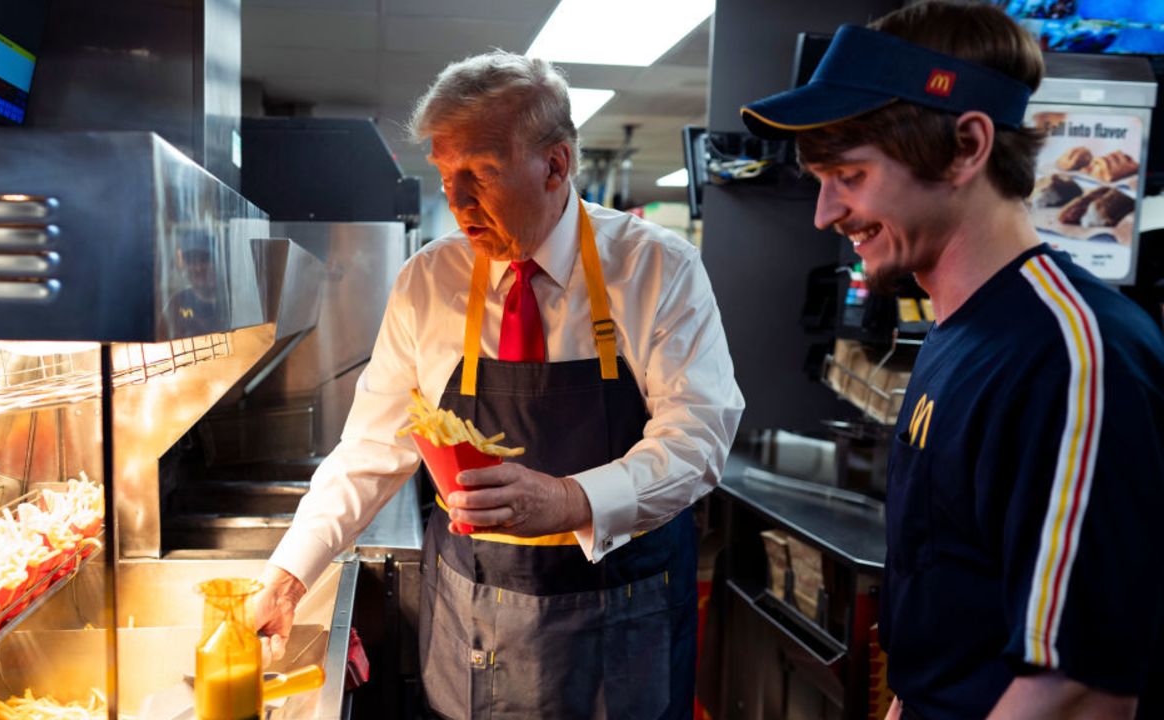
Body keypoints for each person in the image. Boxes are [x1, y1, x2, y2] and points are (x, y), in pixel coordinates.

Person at [255, 50, 744, 719]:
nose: (455, 201)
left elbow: (699, 440)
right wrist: (288, 574)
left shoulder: (657, 268)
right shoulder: (429, 281)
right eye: (445, 172)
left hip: (622, 616)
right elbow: (371, 448)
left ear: (555, 166)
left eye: (480, 172)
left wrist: (573, 499)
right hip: (476, 615)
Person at [742, 3, 1164, 719]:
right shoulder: (956, 334)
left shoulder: (1075, 355)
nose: (824, 213)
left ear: (967, 146)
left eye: (849, 173)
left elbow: (1080, 688)